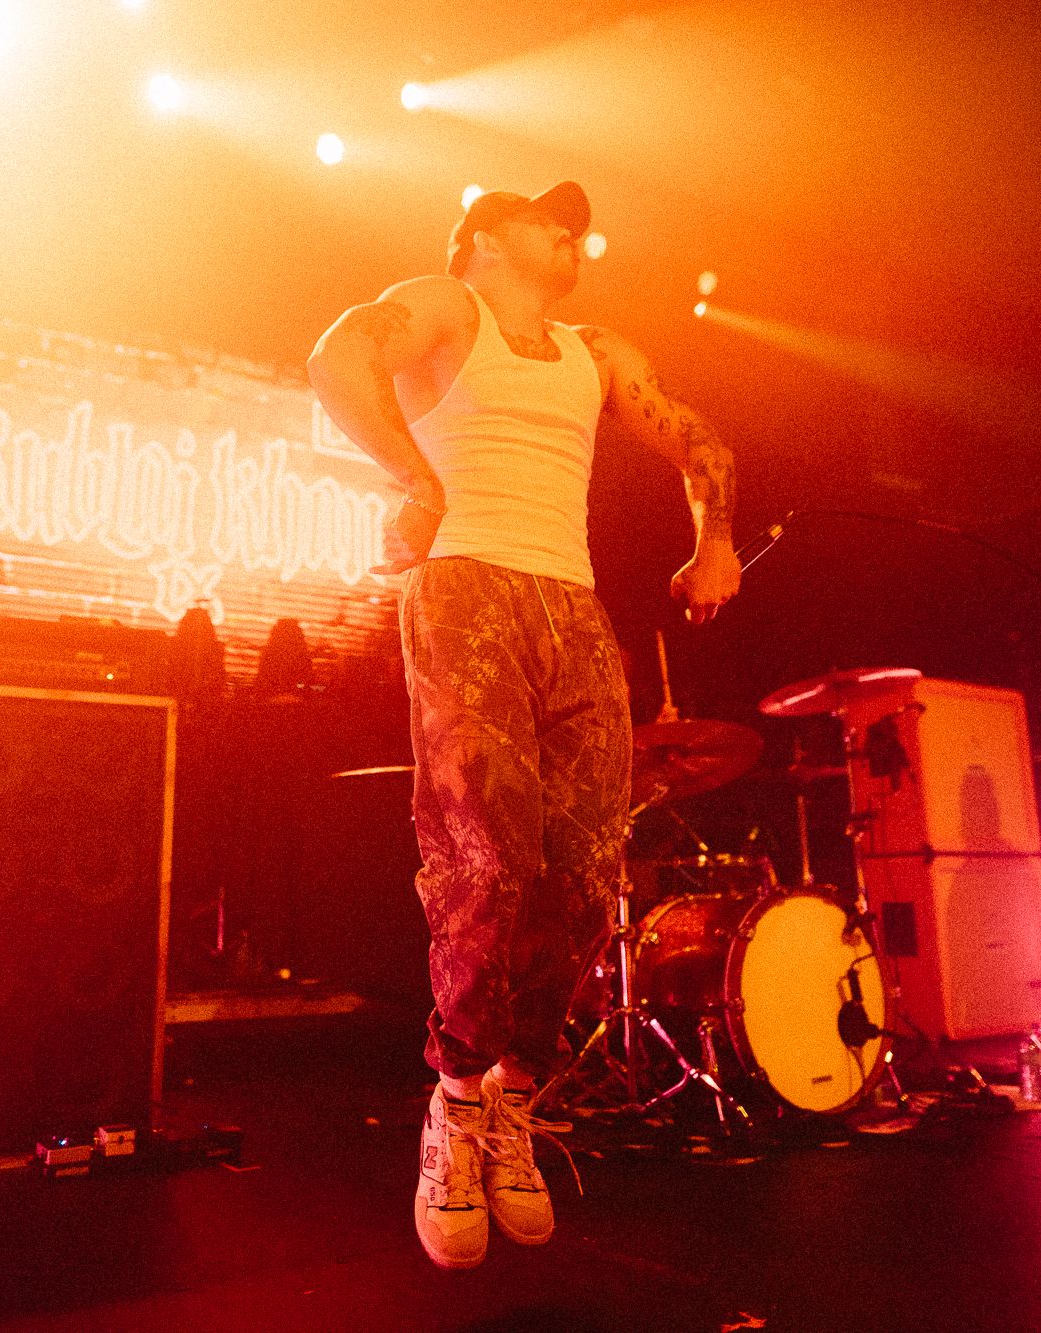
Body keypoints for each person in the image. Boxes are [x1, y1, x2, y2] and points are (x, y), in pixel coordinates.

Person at [306, 181, 741, 1268]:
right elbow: (337, 357)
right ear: (486, 236)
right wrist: (417, 481)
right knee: (488, 858)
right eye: (548, 217)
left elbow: (701, 442)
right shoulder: (447, 306)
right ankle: (454, 1098)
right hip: (466, 587)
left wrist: (715, 541)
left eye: (574, 220)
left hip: (572, 610)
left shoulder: (597, 351)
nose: (569, 231)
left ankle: (513, 1095)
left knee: (588, 874)